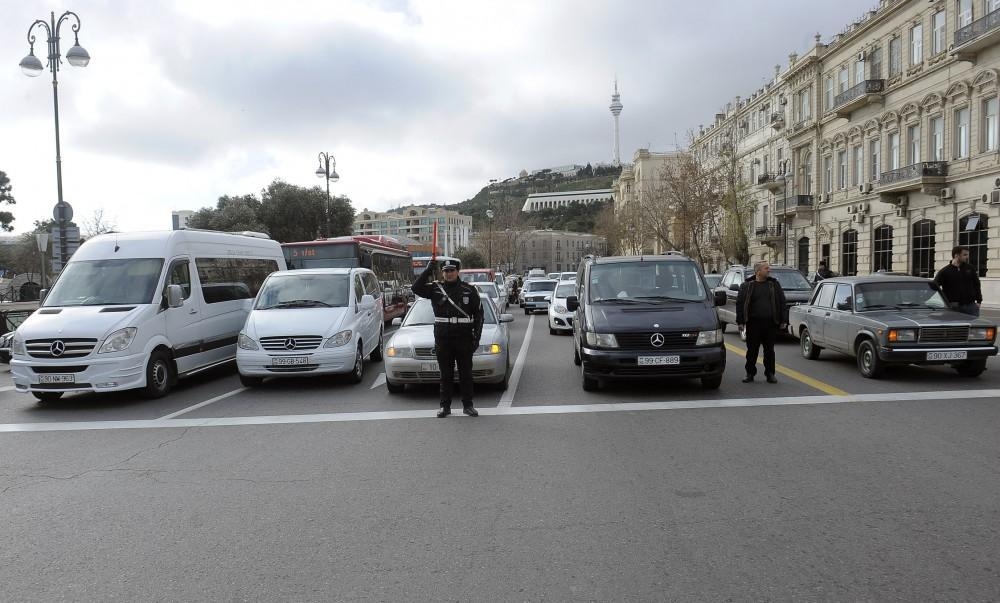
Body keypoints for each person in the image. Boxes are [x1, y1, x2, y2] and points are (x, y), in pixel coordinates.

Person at [411, 258, 484, 417]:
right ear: (442, 273)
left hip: (463, 337)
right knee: (445, 374)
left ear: (457, 271)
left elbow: (479, 316)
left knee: (466, 373)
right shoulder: (435, 289)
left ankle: (468, 405)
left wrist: (476, 339)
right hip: (443, 338)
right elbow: (415, 288)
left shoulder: (469, 290)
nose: (449, 274)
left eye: (451, 271)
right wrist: (427, 270)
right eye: (446, 271)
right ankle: (445, 406)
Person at [736, 261, 787, 384]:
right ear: (758, 271)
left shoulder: (774, 285)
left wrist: (783, 320)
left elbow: (782, 302)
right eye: (766, 268)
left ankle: (770, 374)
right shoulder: (747, 285)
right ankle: (749, 373)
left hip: (770, 323)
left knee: (769, 350)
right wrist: (740, 322)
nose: (769, 270)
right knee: (752, 350)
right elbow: (740, 304)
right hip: (753, 324)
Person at [934, 246, 982, 316]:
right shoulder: (944, 271)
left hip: (971, 306)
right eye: (965, 255)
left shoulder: (970, 268)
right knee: (955, 326)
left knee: (974, 326)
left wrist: (979, 301)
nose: (967, 257)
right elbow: (935, 286)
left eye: (967, 255)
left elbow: (977, 285)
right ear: (956, 255)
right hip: (953, 306)